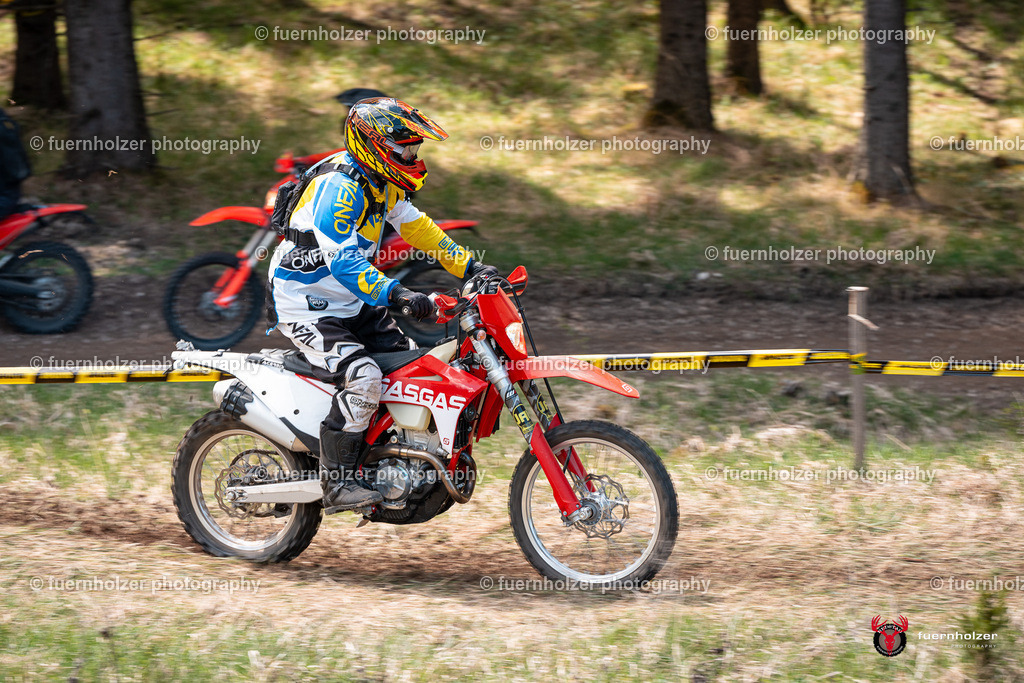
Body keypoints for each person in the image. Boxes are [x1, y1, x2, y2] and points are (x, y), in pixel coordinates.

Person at [267, 97, 497, 513]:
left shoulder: (380, 181)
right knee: (364, 376)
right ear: (375, 145)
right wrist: (400, 295)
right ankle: (337, 482)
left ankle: (392, 465)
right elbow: (345, 261)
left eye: (415, 149)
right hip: (306, 304)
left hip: (351, 301)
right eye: (405, 149)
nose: (413, 157)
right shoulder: (341, 187)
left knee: (411, 370)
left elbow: (420, 230)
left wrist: (470, 266)